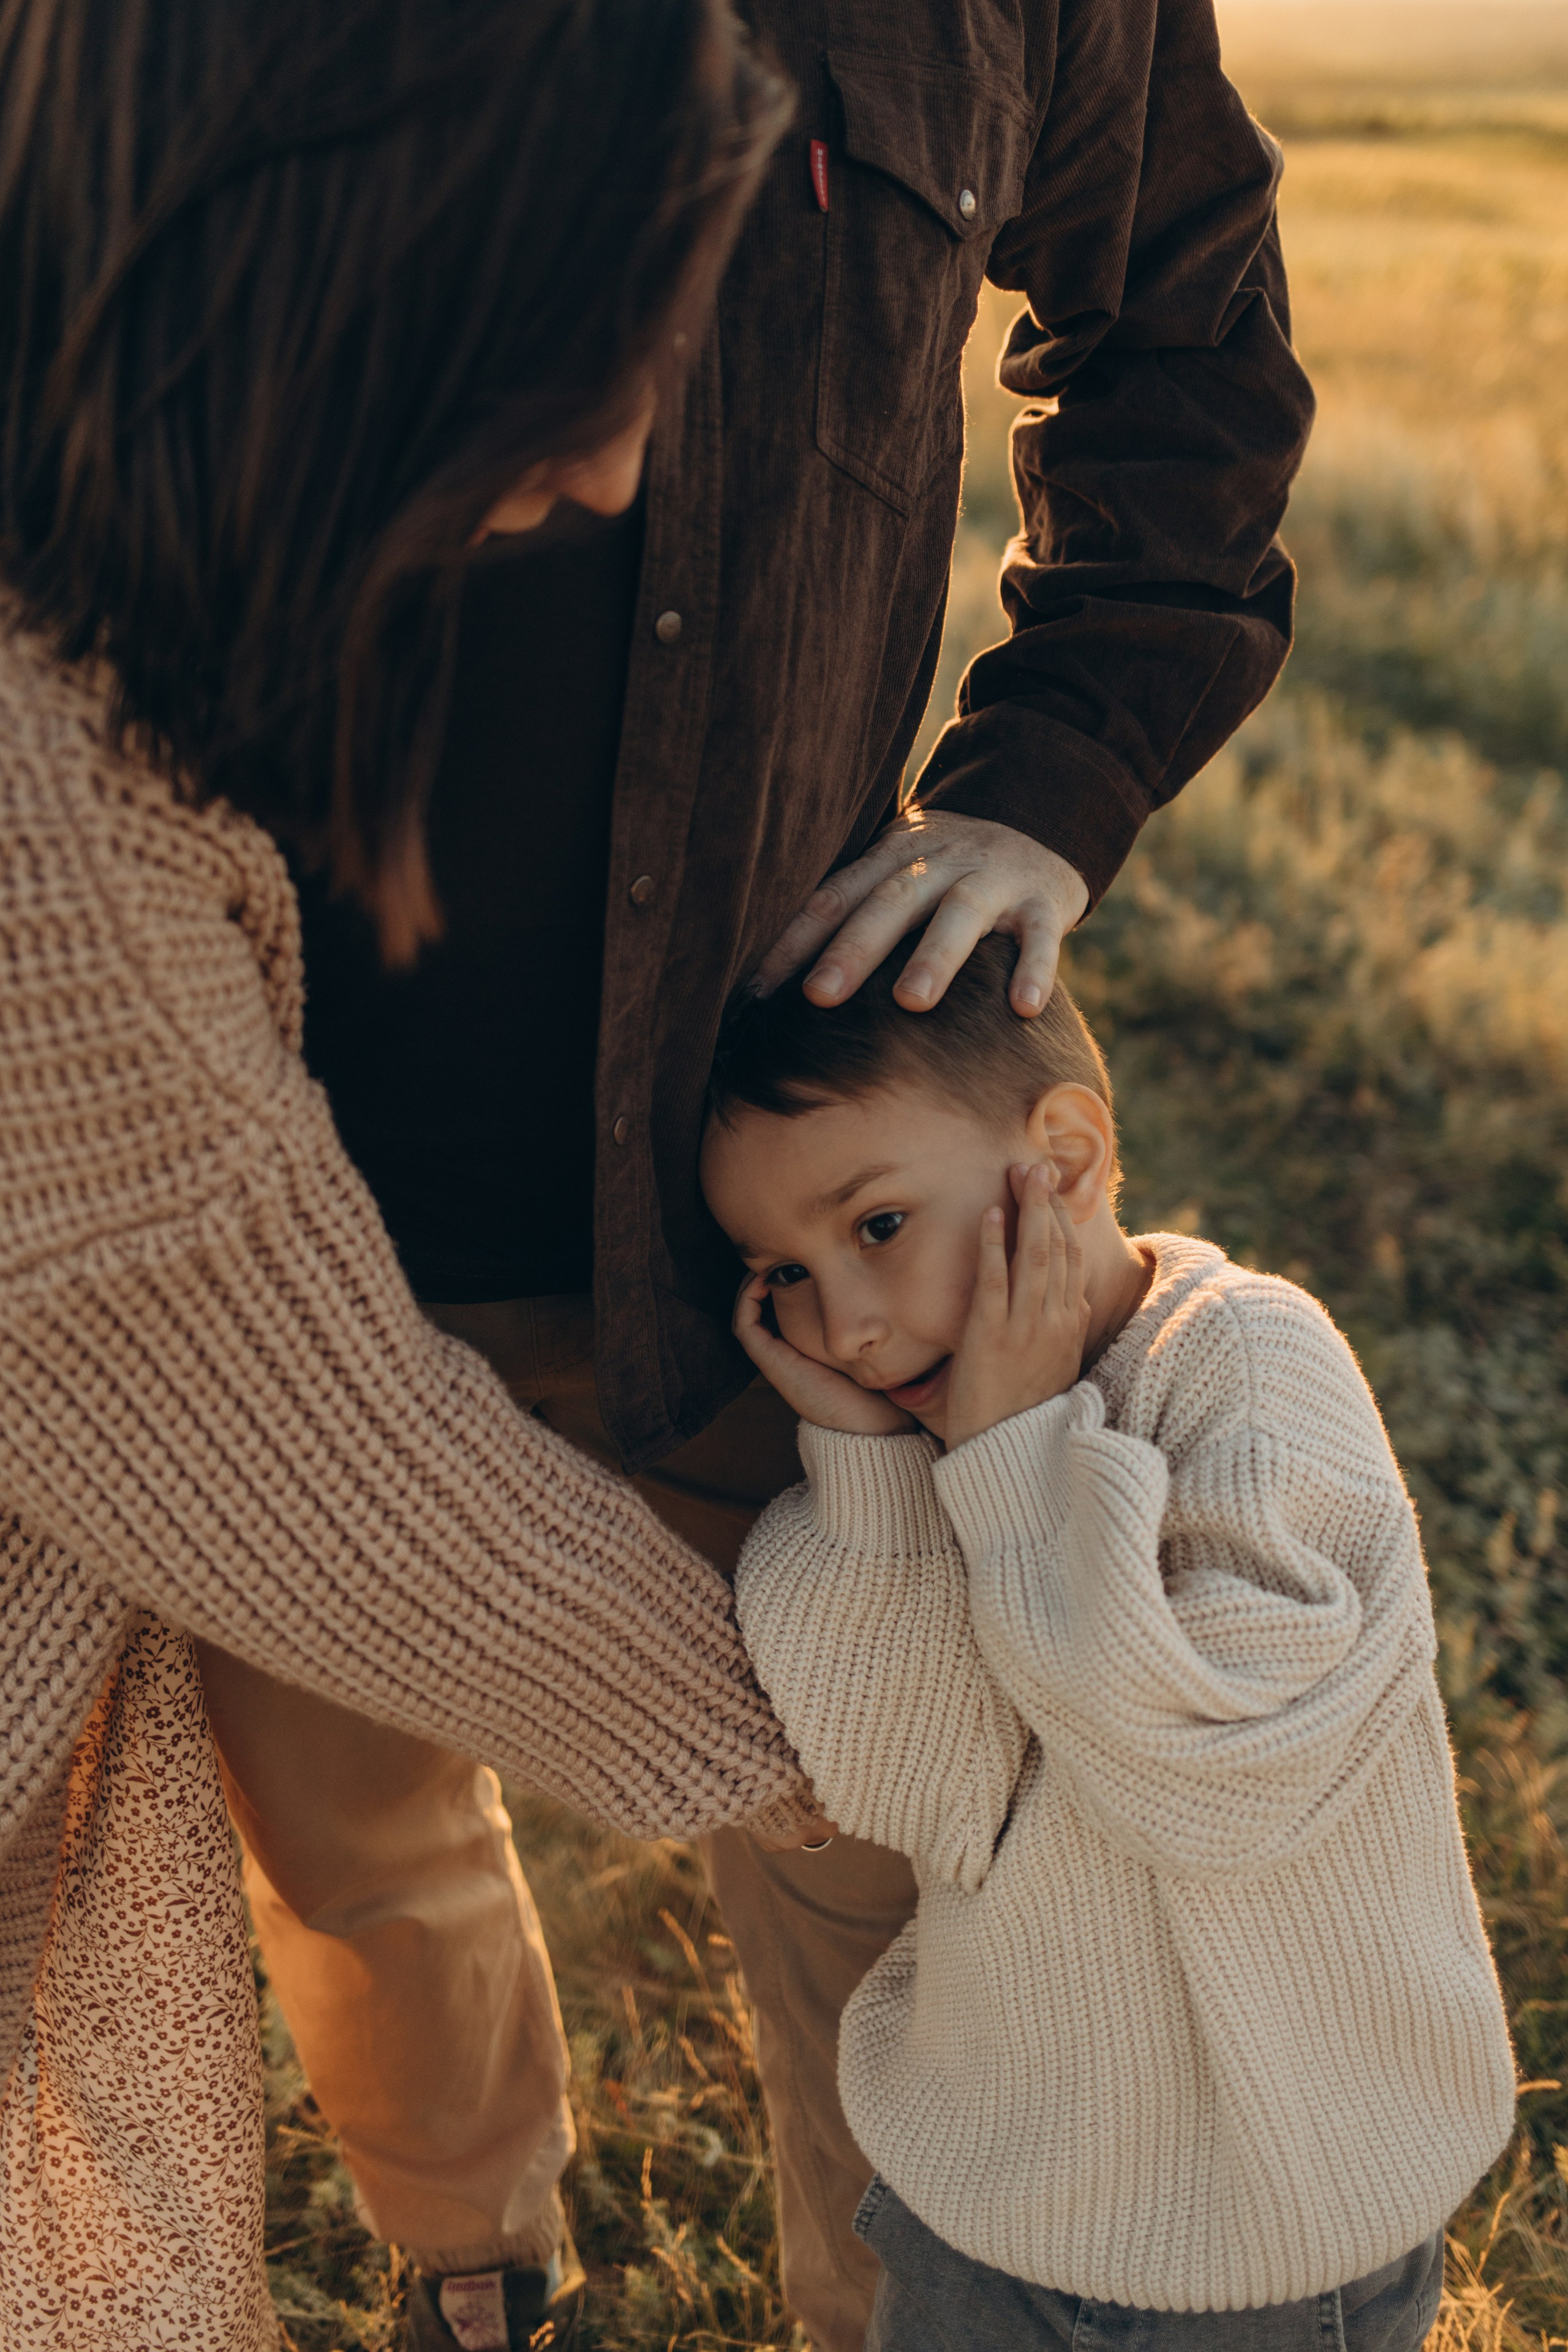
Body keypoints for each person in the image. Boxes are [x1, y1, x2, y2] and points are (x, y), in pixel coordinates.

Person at [267, 1, 1317, 2341]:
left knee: (899, 1837)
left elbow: (1187, 316)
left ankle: (910, 2312)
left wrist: (1056, 764)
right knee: (353, 1832)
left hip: (776, 1190)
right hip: (279, 1180)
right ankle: (475, 2278)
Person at [0, 2, 819, 2346]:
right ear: (370, 271)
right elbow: (349, 1493)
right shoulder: (40, 850)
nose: (615, 471)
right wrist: (881, 1725)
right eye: (595, 355)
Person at [704, 939, 1517, 2351]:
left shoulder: (1245, 1373)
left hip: (1273, 2240)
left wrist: (1017, 1460)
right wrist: (871, 1472)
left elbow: (1206, 1785)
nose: (842, 1320)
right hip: (990, 2212)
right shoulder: (915, 1452)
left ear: (1064, 1159)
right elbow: (927, 1793)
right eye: (780, 1270)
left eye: (877, 1225)